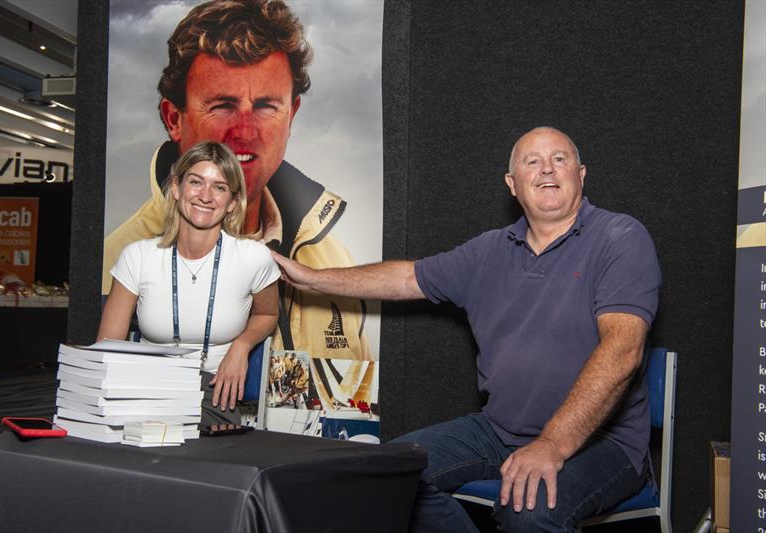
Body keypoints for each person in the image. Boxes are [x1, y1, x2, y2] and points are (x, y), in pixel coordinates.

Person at [272, 127, 662, 532]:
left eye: (560, 159)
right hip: (500, 430)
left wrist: (552, 444)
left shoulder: (620, 238)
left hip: (603, 442)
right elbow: (406, 278)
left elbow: (623, 352)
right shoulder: (488, 252)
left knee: (528, 511)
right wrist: (313, 278)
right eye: (533, 161)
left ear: (581, 174)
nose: (547, 169)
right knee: (386, 473)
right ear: (513, 184)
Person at [102, 0, 372, 363]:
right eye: (222, 105)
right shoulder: (122, 255)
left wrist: (241, 346)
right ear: (173, 118)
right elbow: (106, 359)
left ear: (291, 115)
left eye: (265, 106)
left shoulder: (329, 256)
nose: (244, 132)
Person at [98, 141, 280, 423]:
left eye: (219, 187)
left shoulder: (253, 257)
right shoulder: (138, 256)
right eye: (196, 182)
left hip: (213, 393)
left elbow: (267, 313)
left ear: (232, 202)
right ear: (176, 188)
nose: (205, 196)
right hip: (145, 390)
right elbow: (107, 346)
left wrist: (242, 345)